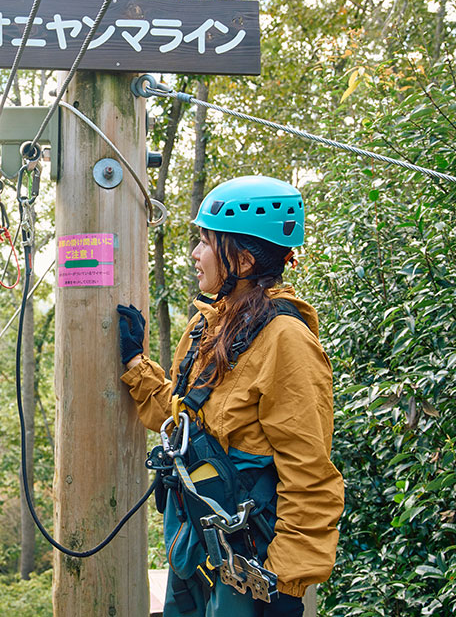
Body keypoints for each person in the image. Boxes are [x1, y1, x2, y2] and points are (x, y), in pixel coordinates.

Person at [117, 176, 344, 617]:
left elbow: (309, 476)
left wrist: (288, 586)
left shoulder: (286, 342)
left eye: (206, 241)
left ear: (240, 257)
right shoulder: (208, 328)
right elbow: (181, 422)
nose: (196, 254)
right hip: (194, 549)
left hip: (248, 567)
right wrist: (134, 365)